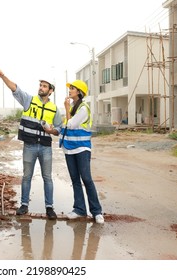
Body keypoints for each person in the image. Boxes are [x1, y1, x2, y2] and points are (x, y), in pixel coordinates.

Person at [0, 67, 62, 220]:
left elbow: (59, 129)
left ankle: (49, 207)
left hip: (45, 147)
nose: (41, 88)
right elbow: (14, 88)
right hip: (29, 146)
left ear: (50, 91)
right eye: (40, 85)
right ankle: (24, 205)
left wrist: (51, 131)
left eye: (45, 86)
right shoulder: (29, 100)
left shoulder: (54, 109)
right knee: (26, 176)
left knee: (47, 178)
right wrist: (2, 75)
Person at [59, 80, 104, 224]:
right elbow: (65, 126)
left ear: (79, 91)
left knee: (86, 179)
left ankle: (96, 211)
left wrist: (66, 108)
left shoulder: (83, 108)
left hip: (82, 148)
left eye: (72, 88)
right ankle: (79, 209)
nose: (70, 90)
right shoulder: (73, 108)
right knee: (75, 180)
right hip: (69, 148)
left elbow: (71, 124)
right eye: (70, 88)